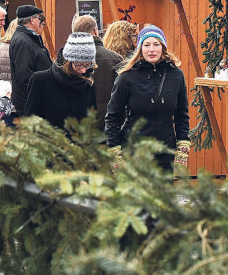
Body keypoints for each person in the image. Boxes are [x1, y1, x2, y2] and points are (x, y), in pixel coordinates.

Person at [105, 25, 190, 170]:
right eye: (147, 45)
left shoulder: (176, 75)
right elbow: (112, 116)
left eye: (156, 44)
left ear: (163, 47)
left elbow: (182, 114)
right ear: (140, 49)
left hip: (165, 152)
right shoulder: (127, 77)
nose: (151, 49)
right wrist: (115, 152)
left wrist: (182, 146)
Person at [26, 32, 96, 130]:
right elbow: (30, 123)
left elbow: (91, 124)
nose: (84, 70)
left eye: (87, 65)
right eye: (79, 64)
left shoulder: (88, 84)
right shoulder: (40, 81)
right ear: (68, 61)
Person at [69, 15, 123, 130]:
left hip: (77, 126)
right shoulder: (115, 58)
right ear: (95, 31)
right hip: (107, 124)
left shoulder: (66, 61)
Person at [9, 5, 52, 116]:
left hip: (34, 101)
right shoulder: (23, 41)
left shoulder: (28, 38)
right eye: (38, 18)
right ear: (32, 20)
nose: (40, 21)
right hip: (30, 104)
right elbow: (24, 75)